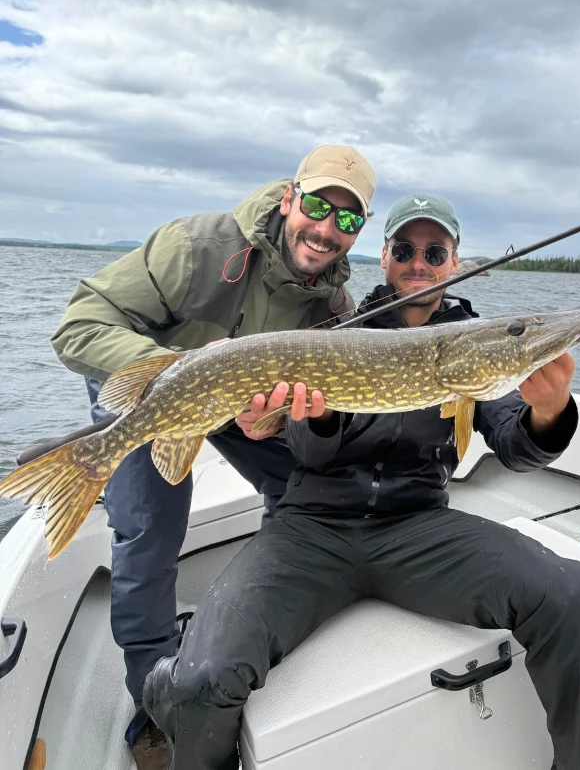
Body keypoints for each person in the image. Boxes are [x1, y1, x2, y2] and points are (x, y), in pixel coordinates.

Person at [144, 192, 580, 770]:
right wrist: (319, 417)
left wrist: (549, 410)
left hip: (419, 529)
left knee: (571, 602)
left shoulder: (475, 342)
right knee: (199, 679)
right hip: (312, 530)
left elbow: (517, 448)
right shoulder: (335, 329)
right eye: (405, 249)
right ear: (386, 257)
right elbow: (303, 452)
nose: (419, 262)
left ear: (454, 261)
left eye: (434, 251)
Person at [50, 145, 376, 769]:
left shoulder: (333, 307)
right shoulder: (197, 247)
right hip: (149, 387)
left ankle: (256, 616)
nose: (327, 229)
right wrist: (178, 376)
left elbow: (293, 405)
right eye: (317, 207)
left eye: (348, 219)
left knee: (307, 486)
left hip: (239, 401)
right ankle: (153, 696)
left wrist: (270, 416)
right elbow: (80, 325)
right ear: (290, 199)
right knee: (151, 524)